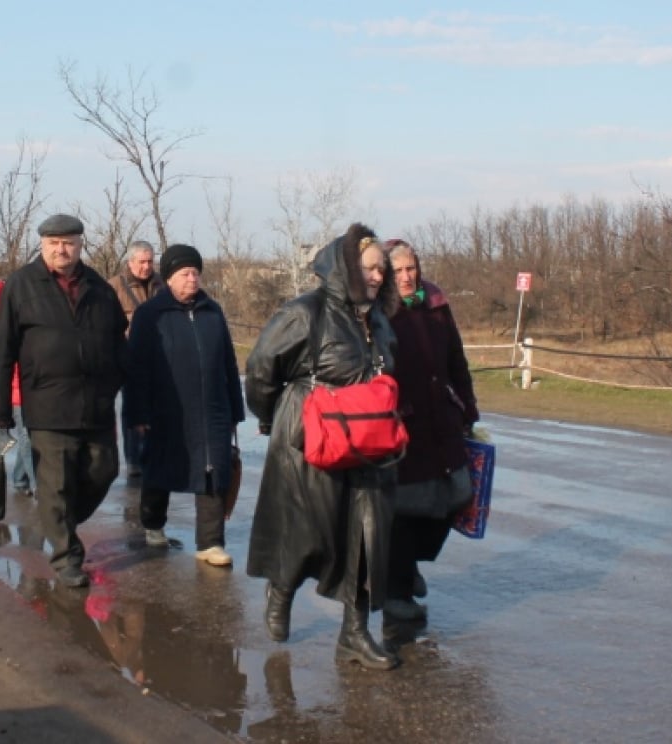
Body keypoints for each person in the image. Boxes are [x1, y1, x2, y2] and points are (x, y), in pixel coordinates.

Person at [245, 222, 402, 670]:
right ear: (348, 266)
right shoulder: (305, 313)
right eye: (370, 268)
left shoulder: (380, 321)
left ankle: (355, 632)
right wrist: (274, 417)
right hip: (311, 433)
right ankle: (282, 586)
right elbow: (260, 369)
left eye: (381, 271)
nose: (377, 276)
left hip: (370, 440)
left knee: (367, 538)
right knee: (307, 528)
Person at [0, 213, 128, 589]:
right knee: (57, 483)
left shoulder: (99, 288)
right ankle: (66, 558)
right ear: (43, 246)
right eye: (54, 244)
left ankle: (57, 520)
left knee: (105, 469)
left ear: (81, 244)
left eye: (69, 243)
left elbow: (118, 346)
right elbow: (1, 351)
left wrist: (120, 387)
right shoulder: (21, 285)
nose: (62, 250)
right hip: (47, 405)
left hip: (95, 403)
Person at [124, 244, 244, 567]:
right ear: (170, 278)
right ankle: (153, 525)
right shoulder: (151, 315)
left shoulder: (212, 311)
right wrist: (137, 413)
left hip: (212, 409)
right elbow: (136, 369)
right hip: (167, 410)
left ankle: (210, 543)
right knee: (160, 469)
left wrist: (235, 409)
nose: (192, 279)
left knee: (213, 472)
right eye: (184, 274)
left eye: (195, 273)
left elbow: (229, 363)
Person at [381, 238, 480, 626]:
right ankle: (396, 594)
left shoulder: (436, 305)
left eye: (411, 269)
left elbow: (457, 358)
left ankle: (410, 567)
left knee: (453, 500)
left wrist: (468, 408)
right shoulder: (379, 312)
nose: (407, 277)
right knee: (403, 512)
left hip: (443, 419)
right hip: (401, 427)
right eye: (399, 271)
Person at [108, 240, 160, 478]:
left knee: (156, 407)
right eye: (142, 262)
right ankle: (133, 460)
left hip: (159, 358)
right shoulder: (115, 287)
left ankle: (153, 454)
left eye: (150, 261)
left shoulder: (162, 286)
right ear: (130, 262)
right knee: (132, 407)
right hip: (128, 356)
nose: (147, 267)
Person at [0, 279, 36, 498]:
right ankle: (38, 484)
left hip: (31, 384)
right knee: (28, 436)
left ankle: (21, 479)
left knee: (29, 435)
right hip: (17, 386)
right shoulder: (2, 330)